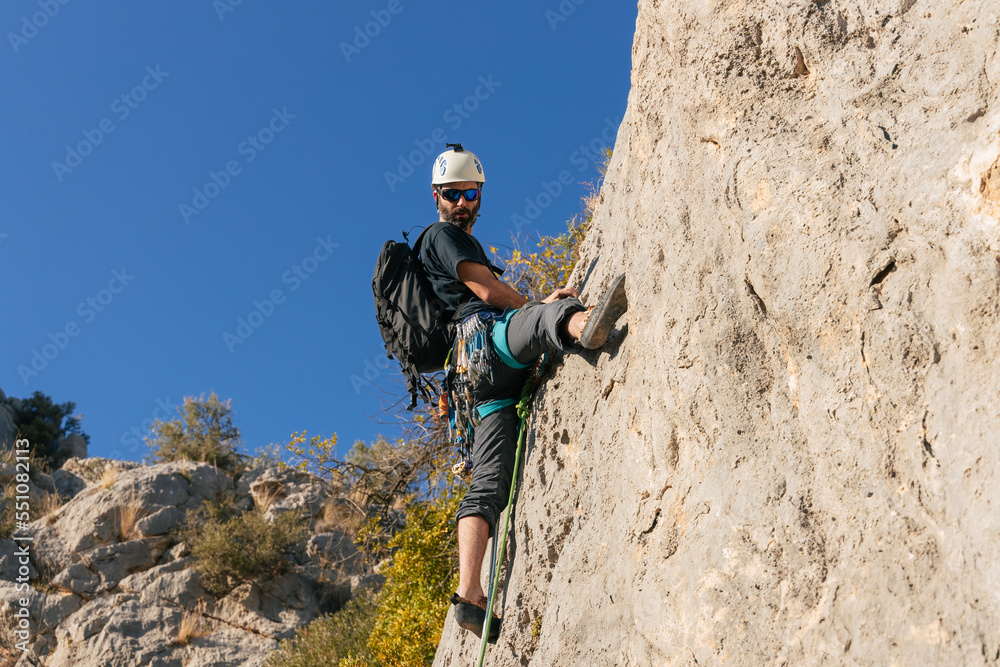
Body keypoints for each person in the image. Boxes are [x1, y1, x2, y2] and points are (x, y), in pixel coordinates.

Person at [418, 144, 627, 641]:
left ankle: (469, 595)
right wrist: (540, 304)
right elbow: (488, 294)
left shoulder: (437, 244)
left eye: (470, 193)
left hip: (471, 388)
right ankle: (583, 325)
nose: (463, 204)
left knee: (489, 481)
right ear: (437, 197)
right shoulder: (443, 236)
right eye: (453, 194)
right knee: (531, 319)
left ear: (478, 194)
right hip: (483, 349)